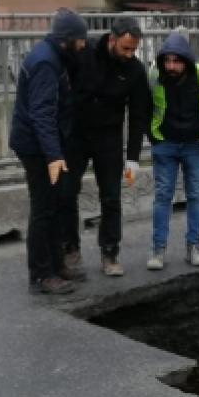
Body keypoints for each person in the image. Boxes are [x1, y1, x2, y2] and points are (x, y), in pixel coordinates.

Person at [60, 17, 152, 278]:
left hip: (108, 138)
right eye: (125, 48)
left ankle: (110, 251)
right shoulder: (84, 53)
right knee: (67, 192)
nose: (129, 54)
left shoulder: (134, 70)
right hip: (76, 134)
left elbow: (137, 115)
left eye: (133, 49)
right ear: (112, 39)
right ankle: (70, 247)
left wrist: (133, 157)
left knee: (111, 197)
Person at [9, 8, 89, 295]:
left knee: (55, 206)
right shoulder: (46, 63)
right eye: (80, 40)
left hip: (47, 144)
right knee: (43, 209)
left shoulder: (55, 56)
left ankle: (57, 265)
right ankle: (42, 274)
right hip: (36, 148)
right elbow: (41, 114)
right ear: (67, 39)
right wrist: (54, 156)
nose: (83, 45)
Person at [145, 31, 199, 271]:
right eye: (167, 61)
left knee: (195, 196)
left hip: (194, 145)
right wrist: (153, 139)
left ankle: (194, 247)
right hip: (165, 144)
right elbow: (144, 108)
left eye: (176, 61)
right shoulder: (154, 77)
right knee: (162, 197)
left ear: (186, 61)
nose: (171, 66)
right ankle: (158, 251)